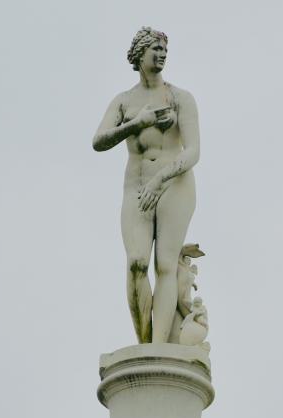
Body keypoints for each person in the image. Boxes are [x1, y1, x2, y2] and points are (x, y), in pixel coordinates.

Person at [92, 27, 200, 344]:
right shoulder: (125, 101)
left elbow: (194, 151)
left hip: (174, 183)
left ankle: (158, 347)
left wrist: (161, 179)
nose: (163, 54)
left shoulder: (180, 98)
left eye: (166, 49)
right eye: (156, 48)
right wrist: (137, 123)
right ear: (140, 53)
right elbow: (98, 141)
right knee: (137, 263)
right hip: (136, 187)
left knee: (165, 264)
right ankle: (145, 342)